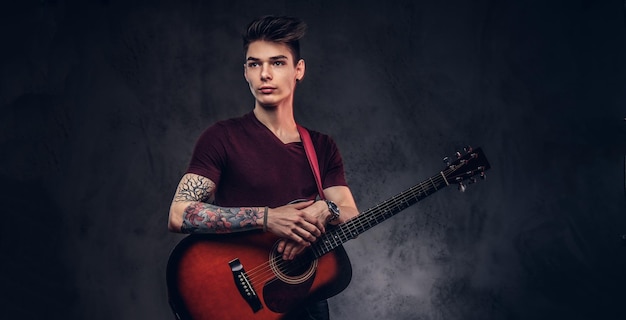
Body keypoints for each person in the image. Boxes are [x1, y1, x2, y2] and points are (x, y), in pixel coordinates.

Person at [167, 15, 359, 320]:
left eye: (278, 63)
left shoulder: (321, 146)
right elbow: (180, 213)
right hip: (240, 300)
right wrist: (267, 218)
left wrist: (327, 209)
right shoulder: (222, 137)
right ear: (245, 72)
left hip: (304, 300)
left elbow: (350, 212)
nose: (265, 74)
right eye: (255, 64)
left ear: (299, 70)